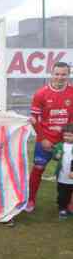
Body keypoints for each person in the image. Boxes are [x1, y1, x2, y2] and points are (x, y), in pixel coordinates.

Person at [27, 62, 73, 213]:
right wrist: (42, 139)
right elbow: (33, 119)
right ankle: (30, 200)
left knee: (70, 171)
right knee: (38, 168)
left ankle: (69, 203)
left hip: (67, 141)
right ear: (52, 74)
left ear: (68, 74)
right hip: (45, 139)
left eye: (63, 74)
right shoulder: (41, 93)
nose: (60, 77)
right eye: (57, 74)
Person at [51, 124, 73, 220]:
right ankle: (62, 209)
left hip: (71, 175)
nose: (66, 137)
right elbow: (55, 157)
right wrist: (56, 156)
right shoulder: (60, 145)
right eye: (65, 135)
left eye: (69, 136)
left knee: (69, 194)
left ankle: (68, 207)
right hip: (62, 176)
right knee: (62, 194)